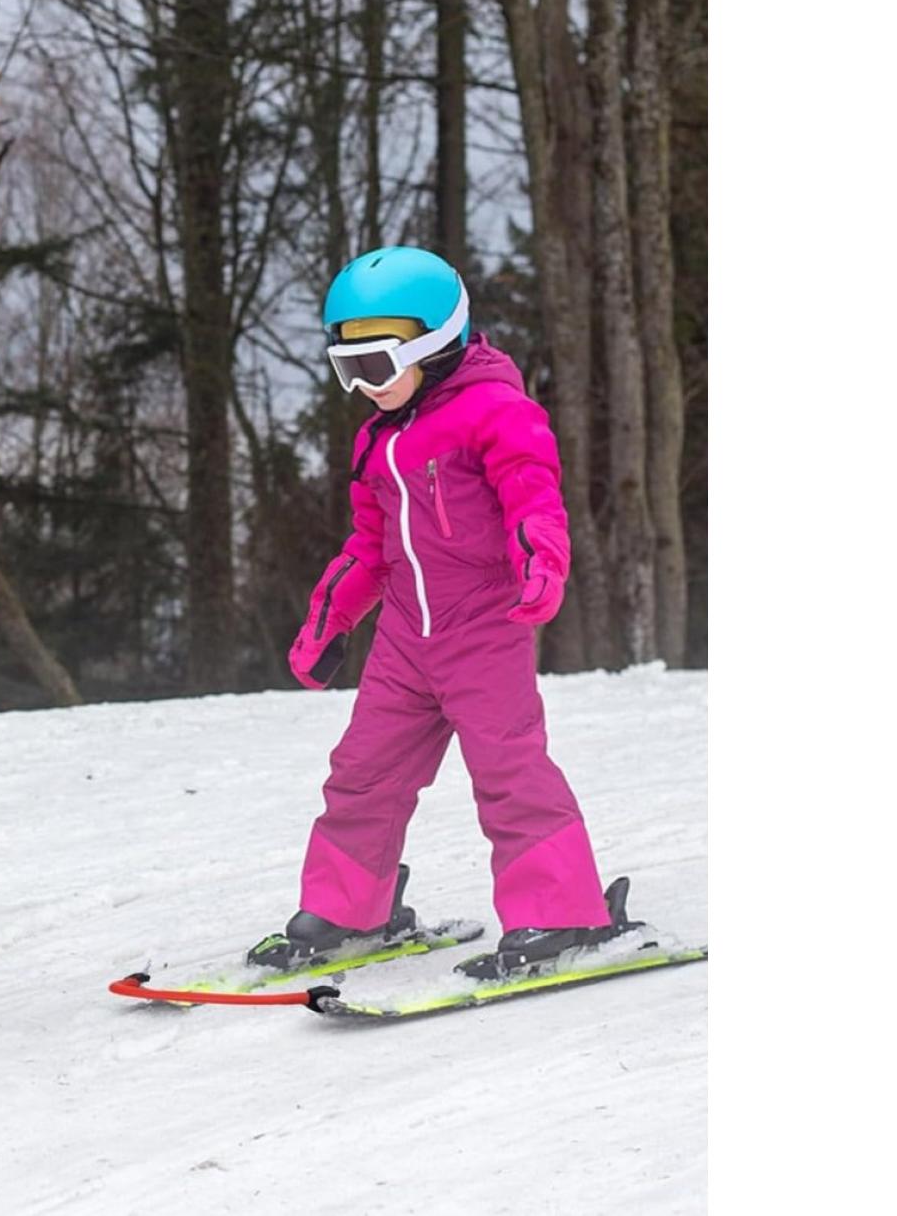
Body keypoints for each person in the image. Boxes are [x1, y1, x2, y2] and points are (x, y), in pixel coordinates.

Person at [247, 246, 621, 981]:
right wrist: (330, 620)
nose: (364, 387)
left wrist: (540, 562)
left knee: (509, 770)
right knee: (362, 774)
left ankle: (561, 912)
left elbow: (532, 496)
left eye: (377, 367)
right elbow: (370, 546)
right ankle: (350, 911)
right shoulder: (377, 441)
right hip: (403, 643)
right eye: (347, 370)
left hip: (482, 629)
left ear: (437, 344)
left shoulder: (496, 412)